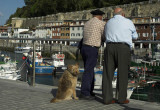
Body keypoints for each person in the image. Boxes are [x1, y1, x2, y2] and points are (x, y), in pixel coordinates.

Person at [102, 8, 138, 104]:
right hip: (123, 48)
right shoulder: (128, 22)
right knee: (122, 73)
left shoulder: (108, 22)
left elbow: (105, 35)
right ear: (123, 14)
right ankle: (121, 99)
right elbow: (135, 37)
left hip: (109, 47)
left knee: (107, 74)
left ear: (114, 14)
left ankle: (107, 99)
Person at [79, 9, 106, 100]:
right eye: (102, 17)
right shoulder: (101, 23)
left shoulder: (87, 23)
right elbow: (104, 36)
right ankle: (85, 93)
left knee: (89, 70)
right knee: (88, 70)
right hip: (92, 48)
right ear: (100, 16)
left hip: (84, 47)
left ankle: (90, 90)